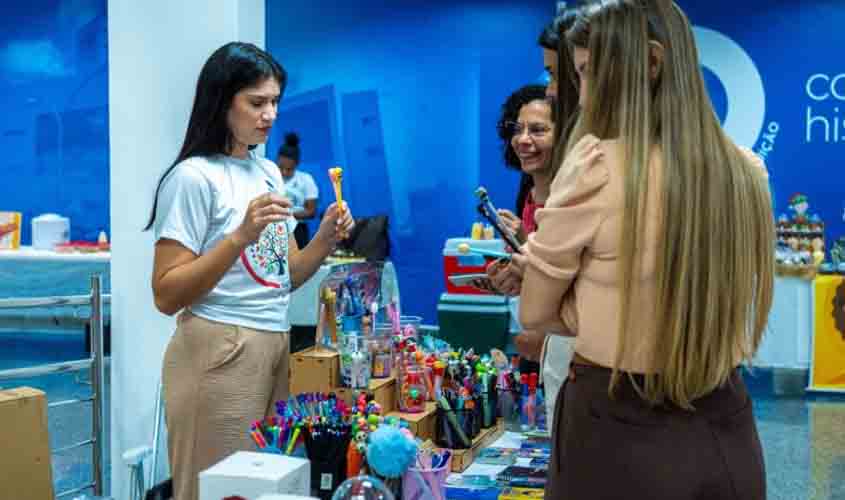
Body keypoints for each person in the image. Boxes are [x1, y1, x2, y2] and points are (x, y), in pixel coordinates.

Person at [516, 1, 773, 498]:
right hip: (727, 429)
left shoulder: (595, 167)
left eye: (587, 73)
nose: (580, 92)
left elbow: (534, 312)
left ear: (651, 64)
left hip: (616, 431)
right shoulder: (747, 173)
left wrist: (582, 296)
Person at [145, 42, 354, 500]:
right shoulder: (193, 177)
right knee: (217, 489)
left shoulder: (266, 173)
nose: (270, 114)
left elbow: (281, 278)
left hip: (274, 342)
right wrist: (239, 234)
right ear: (222, 102)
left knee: (264, 487)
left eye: (275, 101)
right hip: (219, 347)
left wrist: (324, 238)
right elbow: (165, 293)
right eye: (257, 102)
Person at [486, 9, 581, 424]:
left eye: (538, 130)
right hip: (537, 338)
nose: (523, 140)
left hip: (567, 342)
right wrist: (514, 258)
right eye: (517, 128)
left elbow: (571, 276)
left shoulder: (574, 192)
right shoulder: (529, 188)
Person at [276, 132, 320, 249]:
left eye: (289, 169)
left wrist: (286, 215)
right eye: (281, 168)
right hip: (275, 230)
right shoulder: (271, 178)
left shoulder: (305, 180)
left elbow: (311, 211)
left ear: (297, 164)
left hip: (298, 230)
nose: (284, 172)